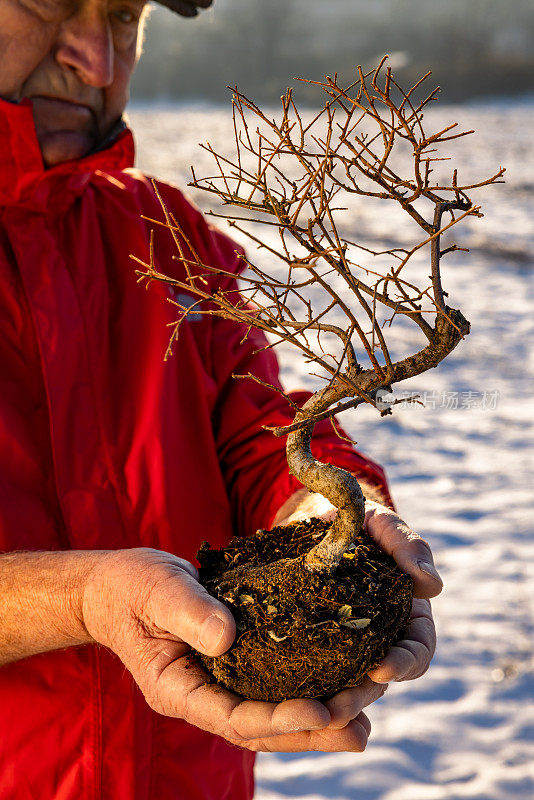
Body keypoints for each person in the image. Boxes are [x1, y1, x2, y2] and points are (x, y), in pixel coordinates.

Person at [0, 1, 442, 798]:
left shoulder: (162, 233)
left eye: (125, 19)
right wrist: (81, 599)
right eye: (54, 2)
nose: (99, 63)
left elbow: (256, 426)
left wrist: (319, 510)